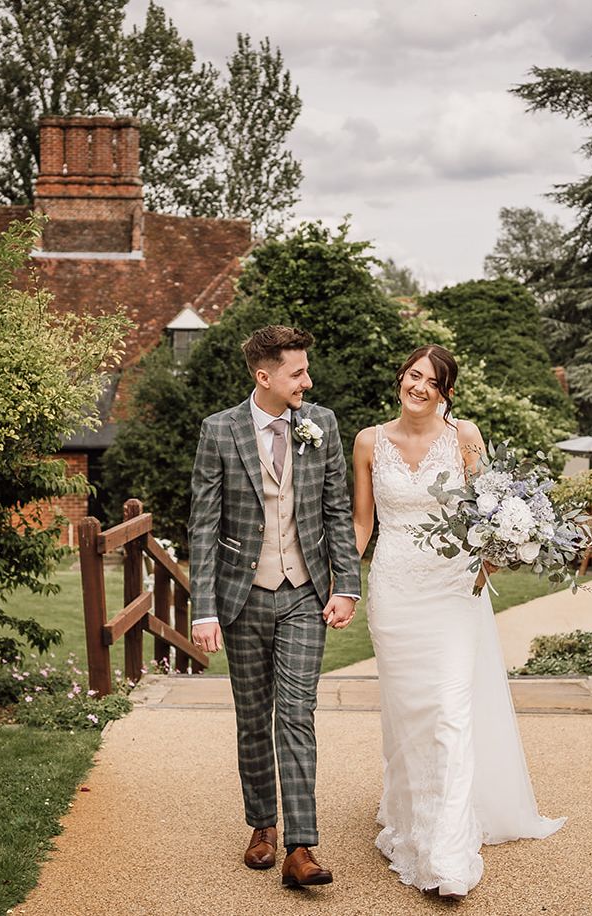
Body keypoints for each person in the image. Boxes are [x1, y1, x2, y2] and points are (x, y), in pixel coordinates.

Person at [351, 344, 565, 898]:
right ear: (401, 378)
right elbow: (361, 523)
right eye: (413, 375)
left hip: (452, 590)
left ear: (447, 393)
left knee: (449, 710)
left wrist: (490, 561)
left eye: (433, 381)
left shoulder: (465, 437)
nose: (419, 386)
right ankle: (410, 818)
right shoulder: (369, 442)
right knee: (407, 716)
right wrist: (339, 582)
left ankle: (446, 855)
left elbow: (492, 511)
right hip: (394, 590)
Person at [187, 325, 363, 888]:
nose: (308, 381)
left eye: (306, 371)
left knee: (297, 714)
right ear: (264, 377)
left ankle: (301, 846)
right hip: (242, 598)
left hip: (304, 595)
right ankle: (262, 826)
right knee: (252, 719)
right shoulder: (219, 430)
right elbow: (204, 526)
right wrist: (204, 608)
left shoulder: (323, 425)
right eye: (297, 373)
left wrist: (346, 585)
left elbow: (338, 511)